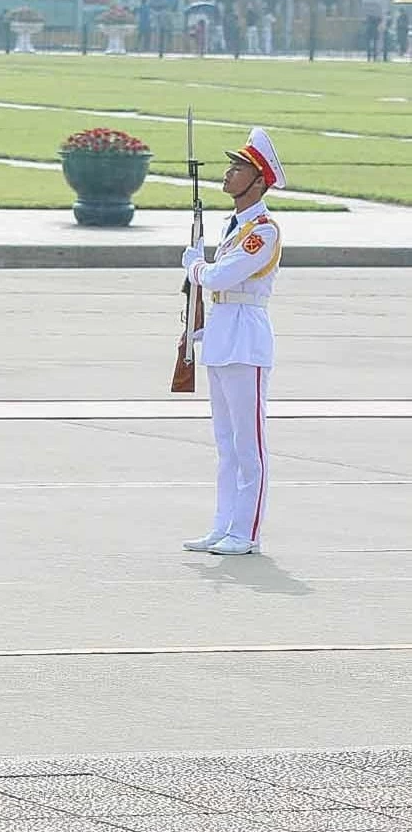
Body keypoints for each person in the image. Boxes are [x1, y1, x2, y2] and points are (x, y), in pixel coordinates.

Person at [181, 129, 284, 557]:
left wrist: (196, 268)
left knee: (248, 444)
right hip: (224, 337)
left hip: (246, 340)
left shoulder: (264, 231)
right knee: (225, 445)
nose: (228, 173)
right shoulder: (234, 229)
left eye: (239, 167)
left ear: (258, 181)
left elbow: (222, 278)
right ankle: (223, 524)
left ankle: (247, 531)